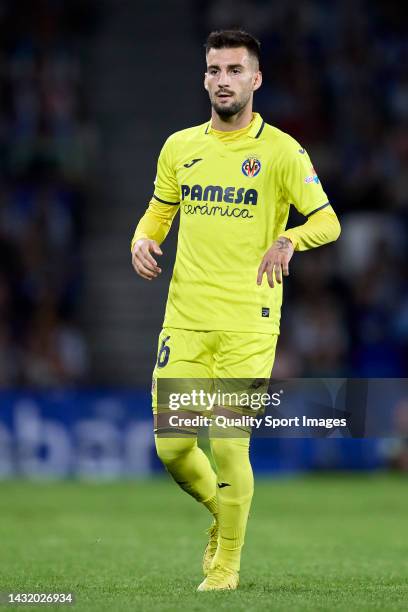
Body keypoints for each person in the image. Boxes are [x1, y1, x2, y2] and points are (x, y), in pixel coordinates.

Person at [131, 29, 341, 591]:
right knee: (173, 448)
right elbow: (158, 213)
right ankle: (222, 519)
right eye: (214, 70)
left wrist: (290, 239)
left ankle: (225, 566)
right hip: (185, 318)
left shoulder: (282, 151)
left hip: (249, 320)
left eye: (234, 70)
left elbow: (328, 220)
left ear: (256, 79)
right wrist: (141, 239)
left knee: (229, 443)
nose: (223, 80)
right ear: (205, 77)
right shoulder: (180, 147)